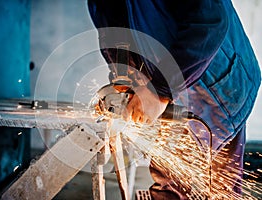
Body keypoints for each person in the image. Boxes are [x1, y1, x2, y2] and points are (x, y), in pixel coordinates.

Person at [87, 0, 261, 199]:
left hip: (217, 87)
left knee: (220, 185)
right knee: (169, 180)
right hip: (166, 83)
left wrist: (160, 90)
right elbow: (117, 30)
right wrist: (127, 76)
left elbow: (209, 23)